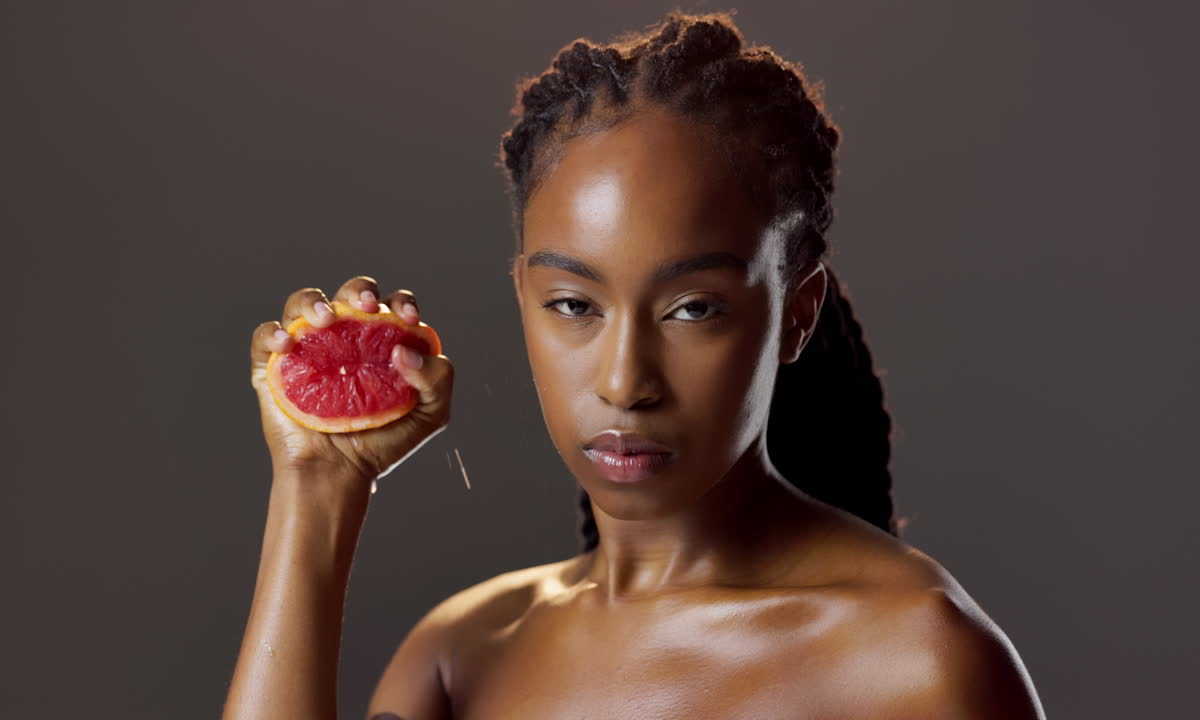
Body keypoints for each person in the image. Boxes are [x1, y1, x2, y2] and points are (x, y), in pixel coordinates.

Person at [222, 10, 1046, 719]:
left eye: (693, 308)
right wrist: (317, 491)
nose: (624, 382)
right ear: (522, 298)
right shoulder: (461, 655)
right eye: (574, 305)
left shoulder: (919, 663)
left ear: (797, 312)